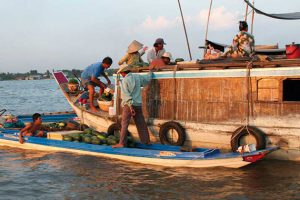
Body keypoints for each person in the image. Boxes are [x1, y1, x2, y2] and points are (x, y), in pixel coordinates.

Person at [112, 64, 154, 148]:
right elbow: (147, 79)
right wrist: (150, 71)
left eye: (121, 73)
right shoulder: (137, 77)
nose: (121, 75)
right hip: (138, 104)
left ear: (123, 73)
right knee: (141, 124)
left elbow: (126, 95)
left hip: (129, 106)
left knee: (124, 124)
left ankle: (122, 143)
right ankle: (146, 141)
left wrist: (130, 107)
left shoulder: (125, 81)